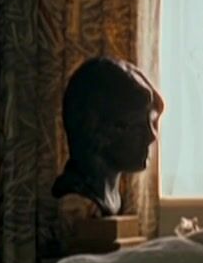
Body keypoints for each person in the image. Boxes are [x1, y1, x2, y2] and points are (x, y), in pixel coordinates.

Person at [51, 56, 164, 218]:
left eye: (151, 122)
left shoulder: (110, 197)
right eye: (137, 126)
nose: (152, 136)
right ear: (100, 132)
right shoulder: (76, 205)